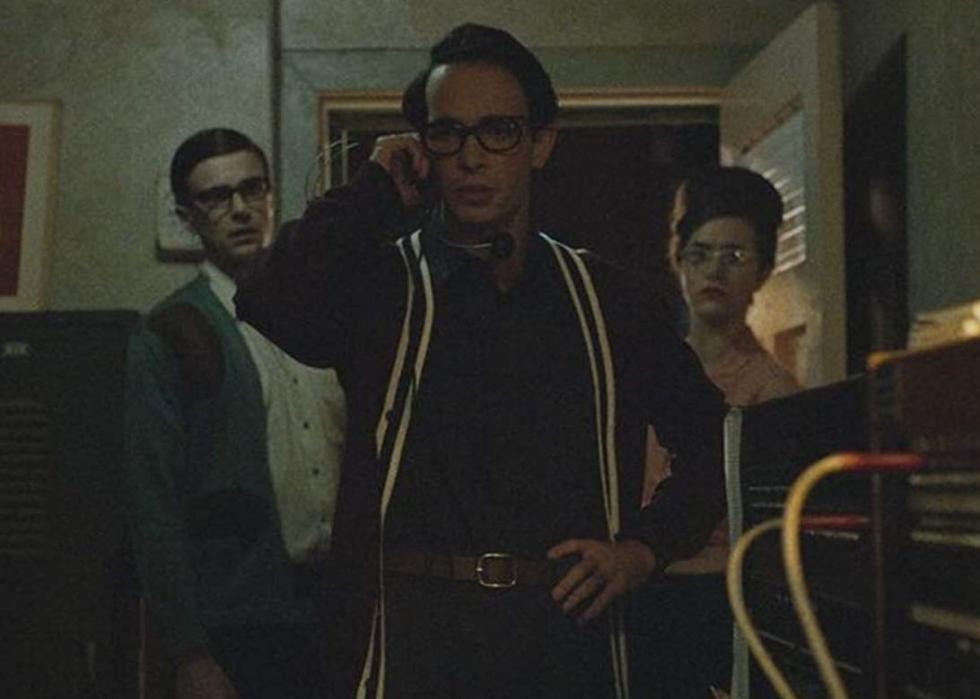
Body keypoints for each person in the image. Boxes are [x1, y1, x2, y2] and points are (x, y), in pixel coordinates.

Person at [236, 24, 728, 699]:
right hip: (414, 648)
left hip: (565, 644)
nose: (472, 157)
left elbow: (715, 438)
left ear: (540, 143)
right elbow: (264, 298)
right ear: (423, 147)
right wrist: (374, 191)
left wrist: (644, 550)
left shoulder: (608, 300)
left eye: (498, 131)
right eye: (448, 133)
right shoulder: (386, 288)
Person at [125, 128, 347, 699]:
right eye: (217, 197)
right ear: (187, 217)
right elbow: (152, 502)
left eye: (253, 189)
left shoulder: (323, 311)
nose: (241, 209)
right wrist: (189, 651)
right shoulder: (173, 332)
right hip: (241, 622)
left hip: (341, 607)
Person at [638, 165, 801, 697]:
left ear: (763, 271)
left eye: (735, 256)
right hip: (633, 586)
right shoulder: (644, 369)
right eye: (700, 253)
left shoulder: (772, 390)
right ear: (677, 259)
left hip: (717, 600)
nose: (714, 271)